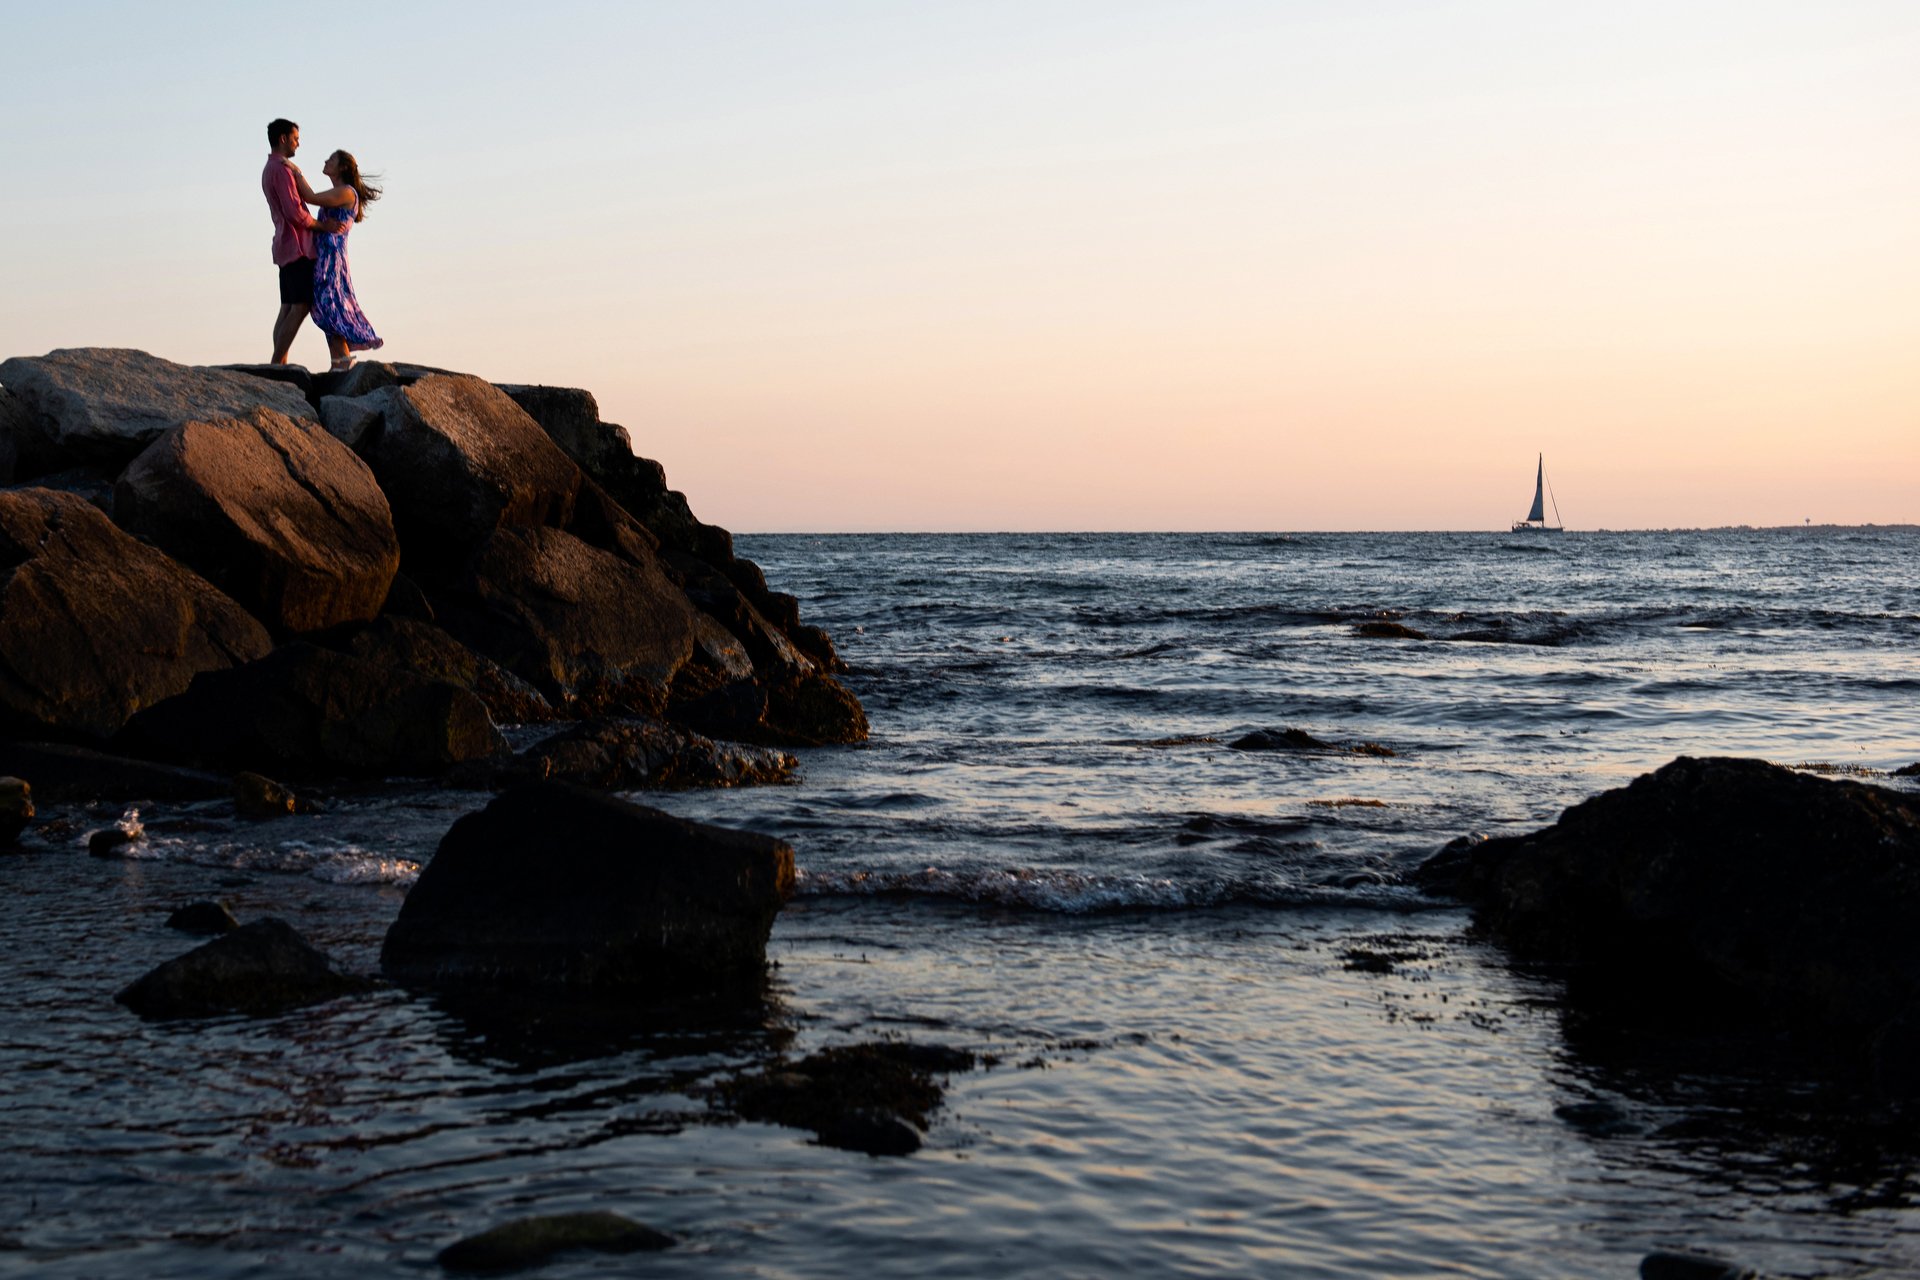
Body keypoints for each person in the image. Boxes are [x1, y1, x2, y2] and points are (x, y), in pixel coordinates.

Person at [260, 118, 345, 365]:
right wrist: (322, 226)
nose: (299, 143)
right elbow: (294, 211)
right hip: (297, 246)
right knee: (301, 305)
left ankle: (279, 361)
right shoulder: (281, 170)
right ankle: (278, 363)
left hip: (284, 244)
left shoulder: (271, 168)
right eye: (296, 138)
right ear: (283, 139)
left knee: (287, 306)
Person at [293, 150, 385, 371]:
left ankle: (343, 362)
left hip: (331, 258)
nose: (326, 161)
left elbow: (310, 197)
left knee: (330, 305)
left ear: (342, 167)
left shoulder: (346, 192)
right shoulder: (340, 192)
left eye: (331, 159)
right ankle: (339, 362)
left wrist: (295, 172)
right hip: (325, 255)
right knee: (325, 307)